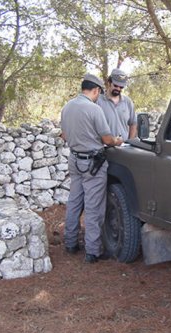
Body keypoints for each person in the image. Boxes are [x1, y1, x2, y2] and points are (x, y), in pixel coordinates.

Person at [60, 73, 123, 263]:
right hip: (93, 163)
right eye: (98, 93)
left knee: (75, 202)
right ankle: (93, 251)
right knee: (94, 206)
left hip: (74, 159)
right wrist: (117, 141)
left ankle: (70, 243)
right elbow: (106, 139)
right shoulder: (94, 110)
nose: (98, 97)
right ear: (95, 90)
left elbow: (63, 135)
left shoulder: (67, 107)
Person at [96, 68, 137, 140]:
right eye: (115, 85)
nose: (118, 89)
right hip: (104, 148)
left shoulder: (128, 102)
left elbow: (133, 124)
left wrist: (130, 142)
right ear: (109, 83)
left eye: (121, 87)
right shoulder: (97, 101)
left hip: (124, 148)